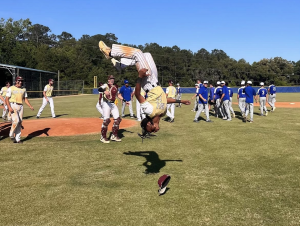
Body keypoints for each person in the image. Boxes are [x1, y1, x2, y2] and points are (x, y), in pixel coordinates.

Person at [98, 41, 191, 138]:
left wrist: (140, 77)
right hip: (156, 80)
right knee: (146, 54)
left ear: (148, 124)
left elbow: (138, 95)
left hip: (148, 83)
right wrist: (181, 101)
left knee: (137, 53)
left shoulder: (149, 111)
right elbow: (164, 100)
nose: (154, 131)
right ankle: (120, 65)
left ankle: (109, 53)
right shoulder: (162, 113)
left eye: (150, 130)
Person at [5, 76, 34, 143]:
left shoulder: (23, 89)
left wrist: (30, 106)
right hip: (13, 105)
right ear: (16, 81)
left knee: (20, 122)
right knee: (16, 121)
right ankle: (11, 135)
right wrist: (9, 107)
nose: (20, 82)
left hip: (20, 106)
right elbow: (7, 99)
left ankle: (18, 139)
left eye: (21, 81)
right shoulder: (11, 88)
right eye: (19, 80)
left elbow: (25, 99)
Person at [98, 75, 122, 143]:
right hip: (106, 103)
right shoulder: (106, 85)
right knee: (107, 120)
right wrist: (104, 91)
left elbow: (118, 95)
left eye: (113, 78)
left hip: (112, 103)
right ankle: (103, 137)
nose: (112, 80)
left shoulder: (115, 86)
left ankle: (114, 135)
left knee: (118, 119)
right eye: (111, 79)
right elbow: (99, 89)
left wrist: (125, 100)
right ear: (108, 80)